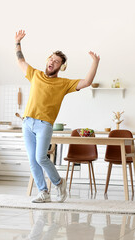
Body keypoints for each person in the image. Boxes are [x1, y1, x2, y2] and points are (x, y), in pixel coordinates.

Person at [15, 30, 100, 203]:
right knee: (33, 161)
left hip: (44, 125)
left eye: (57, 61)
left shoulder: (63, 84)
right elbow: (21, 60)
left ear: (61, 66)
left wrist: (95, 62)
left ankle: (59, 182)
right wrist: (17, 42)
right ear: (47, 61)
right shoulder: (35, 74)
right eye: (51, 59)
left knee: (41, 157)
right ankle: (43, 192)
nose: (52, 62)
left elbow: (86, 82)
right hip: (27, 122)